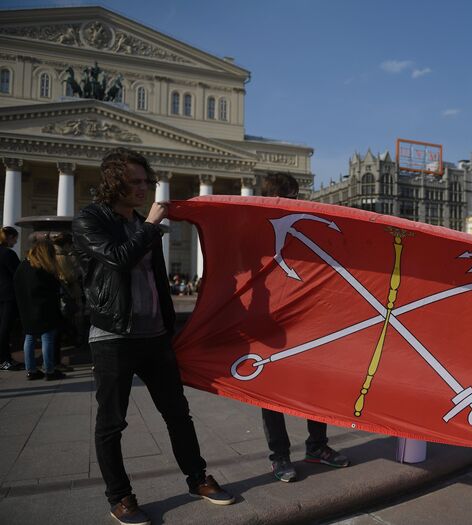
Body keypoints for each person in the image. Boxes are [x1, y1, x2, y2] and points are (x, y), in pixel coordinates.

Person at [72, 148, 233, 525]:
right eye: (135, 181)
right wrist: (151, 225)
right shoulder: (90, 219)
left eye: (146, 181)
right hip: (113, 336)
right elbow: (118, 258)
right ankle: (121, 496)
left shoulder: (142, 224)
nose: (144, 188)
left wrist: (171, 326)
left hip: (155, 336)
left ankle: (198, 478)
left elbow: (157, 281)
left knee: (178, 414)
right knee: (112, 423)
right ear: (114, 182)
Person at [260, 172, 350, 482]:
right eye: (292, 195)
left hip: (307, 321)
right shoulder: (258, 229)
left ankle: (317, 447)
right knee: (270, 395)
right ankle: (280, 456)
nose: (297, 200)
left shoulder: (305, 228)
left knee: (315, 386)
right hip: (271, 324)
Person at [14, 239, 66, 381]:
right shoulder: (42, 268)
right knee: (47, 337)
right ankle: (49, 370)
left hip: (26, 308)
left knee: (29, 337)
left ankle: (31, 370)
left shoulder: (23, 265)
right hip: (44, 308)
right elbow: (54, 287)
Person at [0, 226, 22, 371]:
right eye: (15, 238)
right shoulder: (8, 254)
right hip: (7, 296)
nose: (15, 242)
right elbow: (18, 275)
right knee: (5, 329)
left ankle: (5, 358)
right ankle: (4, 360)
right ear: (9, 237)